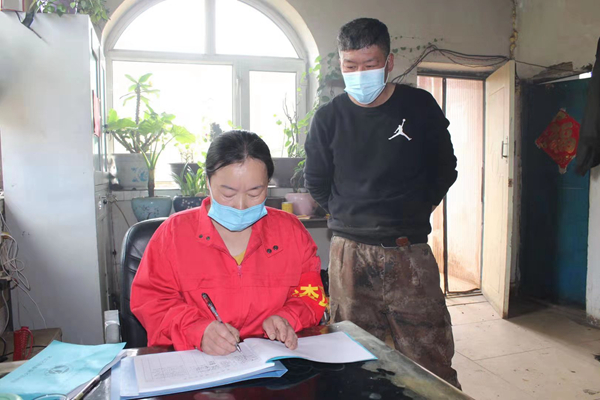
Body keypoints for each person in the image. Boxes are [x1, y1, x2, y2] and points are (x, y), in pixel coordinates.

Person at [304, 18, 460, 387]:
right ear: (340, 64)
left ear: (389, 63)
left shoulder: (419, 106)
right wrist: (350, 217)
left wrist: (415, 210)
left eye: (369, 64)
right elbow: (317, 182)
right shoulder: (329, 118)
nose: (360, 74)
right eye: (350, 66)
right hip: (349, 254)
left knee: (429, 356)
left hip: (408, 252)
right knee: (352, 355)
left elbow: (445, 168)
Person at [131, 130, 326, 355]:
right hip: (198, 361)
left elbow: (310, 292)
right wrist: (196, 330)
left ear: (267, 185)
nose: (241, 205)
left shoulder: (291, 232)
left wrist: (288, 317)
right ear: (208, 182)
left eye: (255, 193)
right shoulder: (173, 234)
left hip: (273, 360)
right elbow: (151, 300)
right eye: (228, 193)